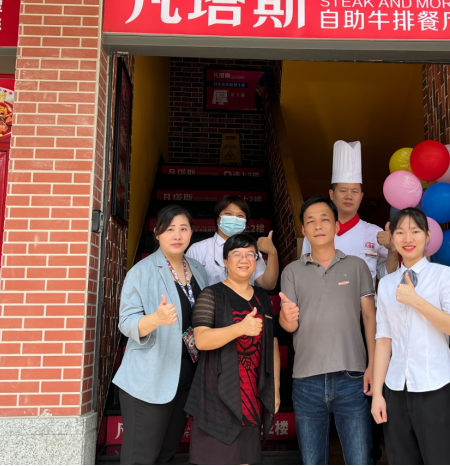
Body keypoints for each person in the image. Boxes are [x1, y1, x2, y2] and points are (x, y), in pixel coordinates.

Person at [280, 195, 377, 466]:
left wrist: (372, 365)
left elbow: (370, 317)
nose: (318, 225)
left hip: (352, 376)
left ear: (336, 226)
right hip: (306, 379)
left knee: (360, 458)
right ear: (303, 230)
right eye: (310, 221)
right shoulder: (291, 272)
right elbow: (290, 325)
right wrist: (286, 318)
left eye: (324, 219)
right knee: (312, 460)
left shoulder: (357, 266)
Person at [113, 205, 209, 465]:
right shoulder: (141, 271)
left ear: (191, 232)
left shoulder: (198, 269)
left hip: (187, 378)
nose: (177, 235)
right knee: (140, 458)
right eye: (169, 229)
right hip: (149, 380)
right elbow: (127, 323)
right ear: (157, 234)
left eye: (183, 228)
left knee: (166, 453)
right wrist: (156, 319)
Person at [371, 208, 450, 465]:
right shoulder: (386, 284)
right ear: (392, 238)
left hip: (436, 387)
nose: (407, 238)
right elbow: (383, 339)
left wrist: (416, 300)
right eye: (400, 232)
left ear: (428, 235)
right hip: (395, 388)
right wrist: (378, 393)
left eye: (415, 231)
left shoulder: (444, 275)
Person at [185, 233, 280, 465]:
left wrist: (275, 389)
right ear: (225, 261)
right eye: (237, 254)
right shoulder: (211, 294)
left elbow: (273, 344)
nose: (244, 259)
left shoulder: (262, 298)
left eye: (250, 254)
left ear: (256, 261)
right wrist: (241, 328)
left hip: (251, 395)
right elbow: (201, 340)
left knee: (245, 460)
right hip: (216, 395)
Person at [301, 141, 397, 281]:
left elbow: (387, 277)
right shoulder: (315, 230)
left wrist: (392, 250)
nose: (349, 196)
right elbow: (304, 273)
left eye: (354, 191)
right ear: (332, 194)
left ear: (361, 196)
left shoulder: (375, 233)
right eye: (343, 190)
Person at [187, 195, 279, 289]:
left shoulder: (251, 250)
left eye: (240, 216)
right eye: (228, 214)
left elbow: (268, 284)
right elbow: (187, 285)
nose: (234, 219)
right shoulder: (197, 249)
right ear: (217, 219)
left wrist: (272, 252)